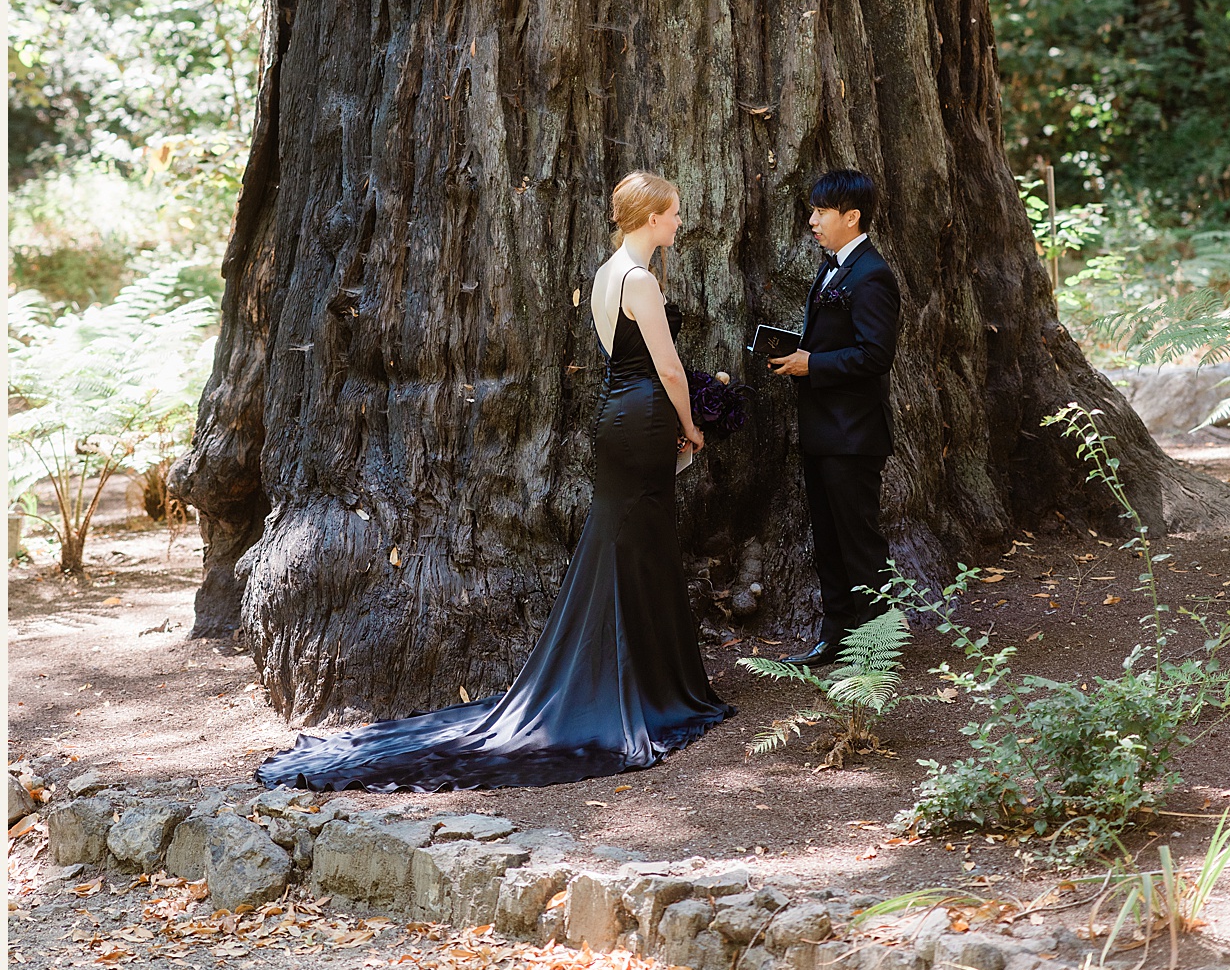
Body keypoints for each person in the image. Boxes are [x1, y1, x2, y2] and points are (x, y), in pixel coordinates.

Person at [257, 172, 733, 790]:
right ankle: (628, 686)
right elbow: (668, 367)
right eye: (672, 214)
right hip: (644, 414)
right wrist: (693, 425)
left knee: (629, 544)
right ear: (650, 218)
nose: (677, 223)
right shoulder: (639, 279)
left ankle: (640, 676)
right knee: (633, 545)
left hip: (621, 412)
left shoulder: (606, 273)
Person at [767, 168, 899, 666]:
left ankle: (875, 649)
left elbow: (874, 356)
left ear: (852, 216)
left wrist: (811, 364)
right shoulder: (831, 268)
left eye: (821, 212)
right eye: (813, 210)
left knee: (859, 542)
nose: (812, 220)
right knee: (827, 538)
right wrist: (797, 352)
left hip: (855, 433)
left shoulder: (872, 275)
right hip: (822, 428)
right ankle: (837, 636)